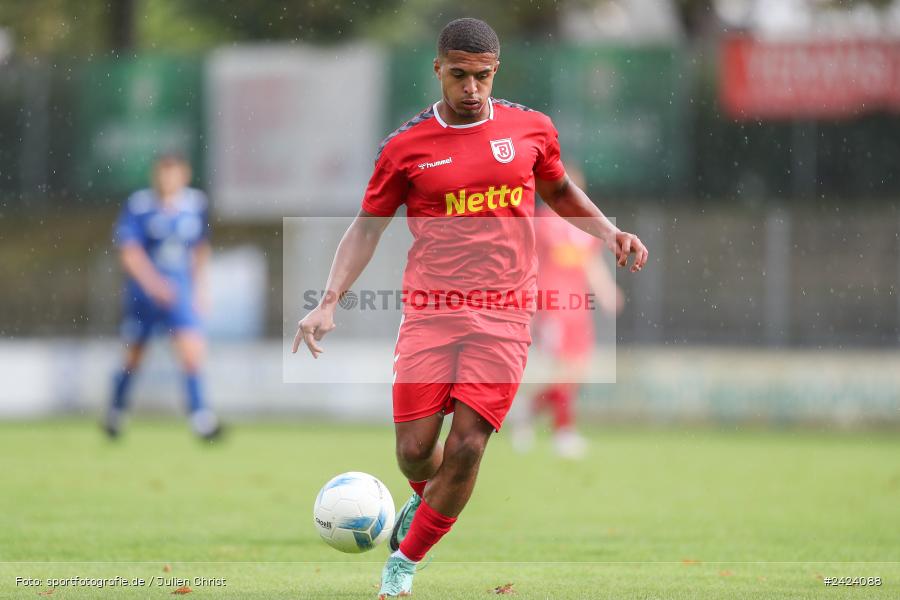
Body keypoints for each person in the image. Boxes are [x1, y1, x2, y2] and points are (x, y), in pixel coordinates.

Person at [292, 18, 648, 598]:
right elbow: (366, 229)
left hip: (506, 314)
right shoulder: (405, 149)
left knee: (469, 444)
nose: (471, 88)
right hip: (431, 311)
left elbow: (558, 190)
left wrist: (608, 232)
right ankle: (421, 499)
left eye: (482, 76)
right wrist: (328, 302)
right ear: (438, 70)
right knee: (414, 452)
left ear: (495, 72)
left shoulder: (530, 130)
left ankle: (404, 563)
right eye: (459, 75)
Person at [105, 154, 221, 441]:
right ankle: (116, 413)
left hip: (180, 291)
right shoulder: (140, 205)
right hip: (144, 294)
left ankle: (201, 419)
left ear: (185, 175)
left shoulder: (195, 204)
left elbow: (199, 249)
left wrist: (201, 288)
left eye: (173, 174)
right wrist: (153, 284)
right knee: (134, 355)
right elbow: (130, 251)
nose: (167, 179)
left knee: (192, 352)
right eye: (162, 173)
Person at [513, 164, 625, 459]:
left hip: (577, 308)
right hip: (551, 306)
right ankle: (563, 432)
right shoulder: (541, 222)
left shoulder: (583, 227)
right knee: (562, 369)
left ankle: (528, 410)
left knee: (576, 371)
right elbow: (527, 263)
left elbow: (590, 263)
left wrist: (607, 292)